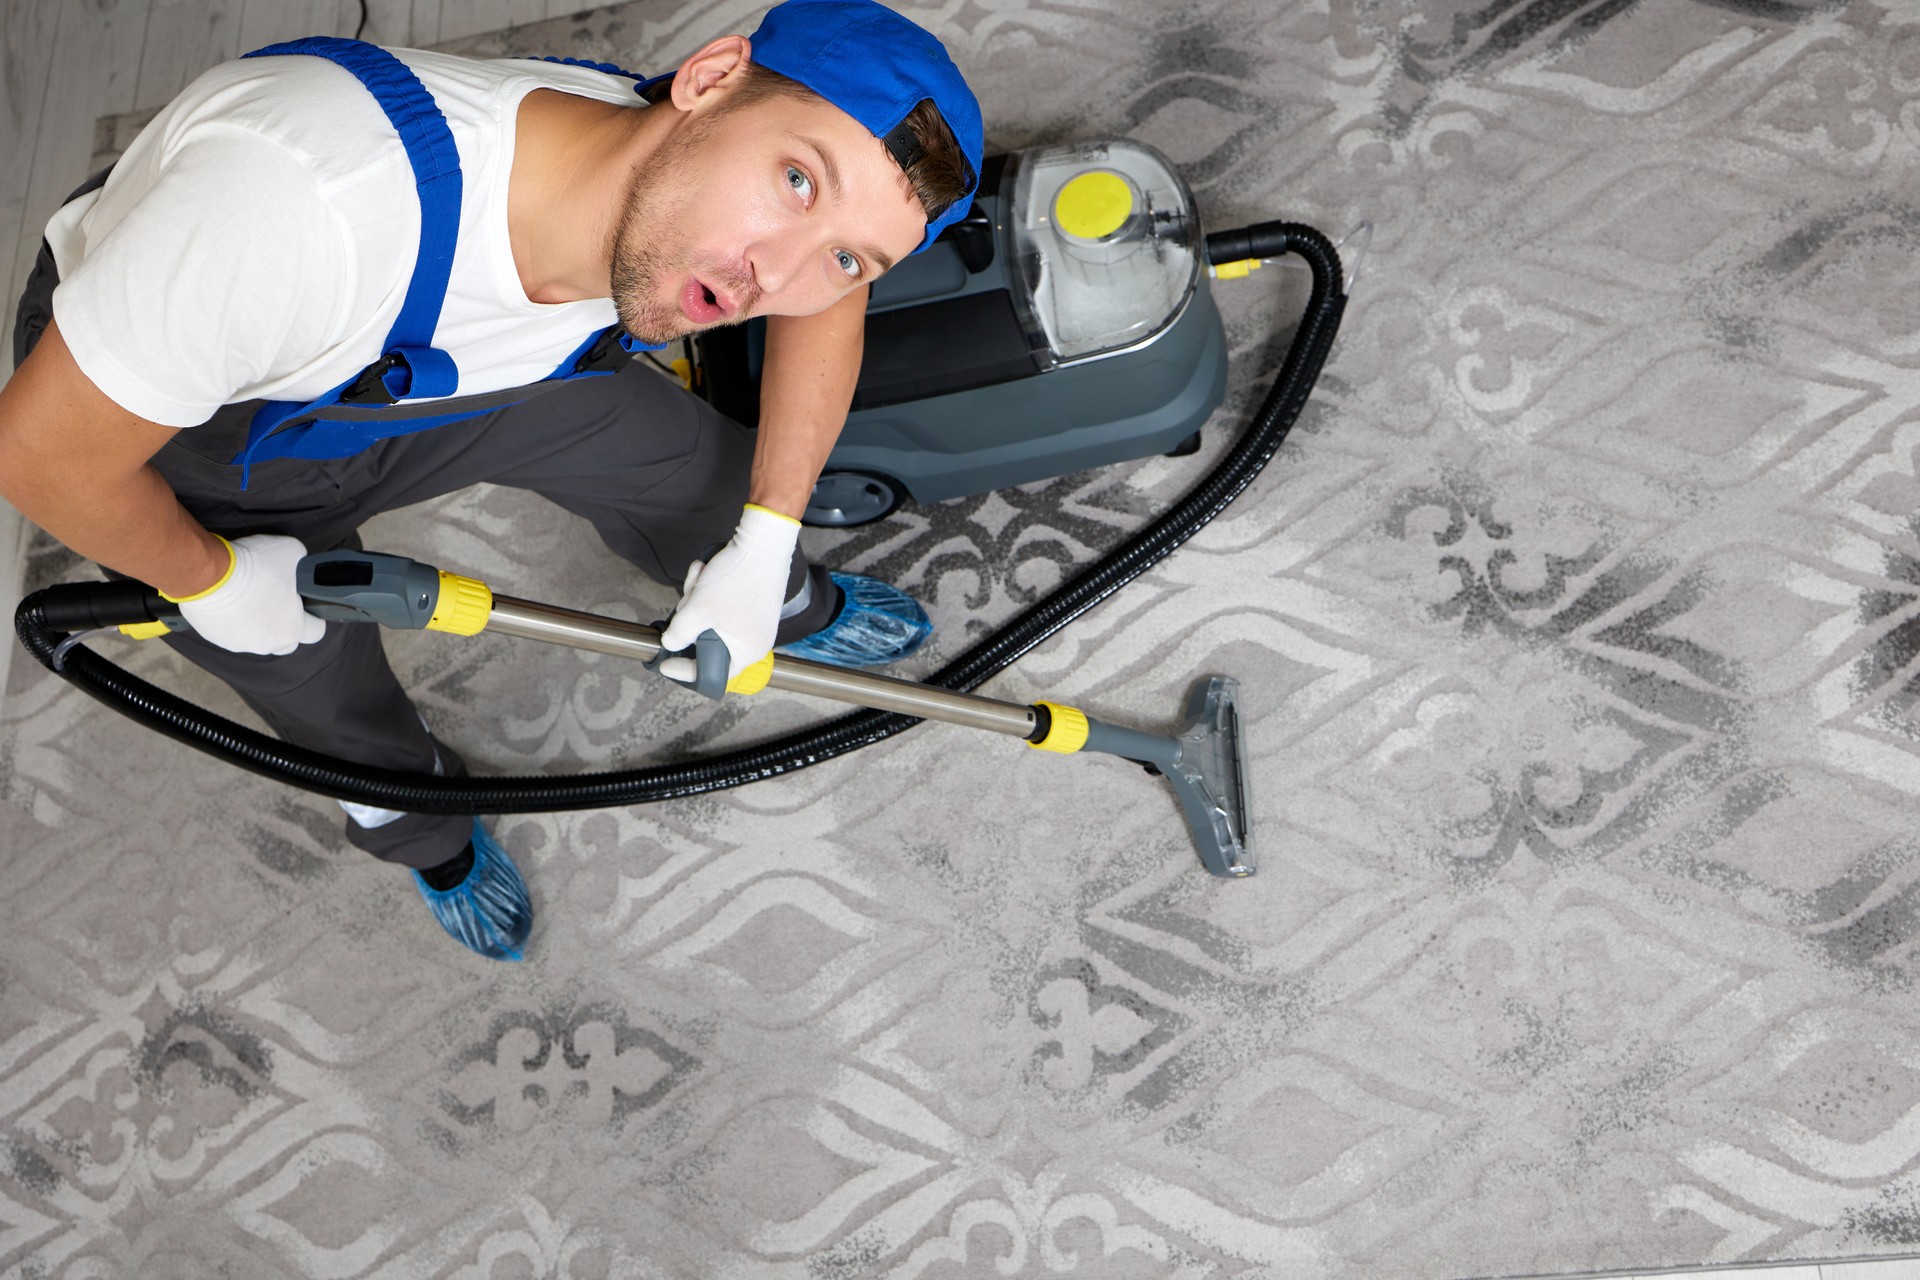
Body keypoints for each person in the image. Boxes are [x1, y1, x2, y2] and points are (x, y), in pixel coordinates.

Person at [0, 0, 984, 962]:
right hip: (209, 429)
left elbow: (825, 297)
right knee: (307, 676)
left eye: (849, 254)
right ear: (710, 79)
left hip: (488, 373)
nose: (772, 274)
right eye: (798, 181)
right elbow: (41, 456)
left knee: (705, 475)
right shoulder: (296, 207)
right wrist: (208, 578)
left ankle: (793, 603)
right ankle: (431, 834)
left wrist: (766, 542)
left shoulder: (683, 204)